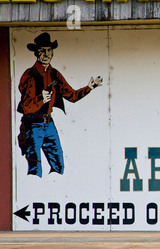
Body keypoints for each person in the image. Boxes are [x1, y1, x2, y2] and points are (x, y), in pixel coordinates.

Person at [17, 32, 103, 177]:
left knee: (58, 166)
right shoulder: (29, 75)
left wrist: (90, 87)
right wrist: (41, 99)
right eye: (42, 51)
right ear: (37, 53)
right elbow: (26, 107)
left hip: (49, 124)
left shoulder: (54, 74)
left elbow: (72, 96)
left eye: (49, 50)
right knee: (35, 169)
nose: (46, 54)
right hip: (32, 125)